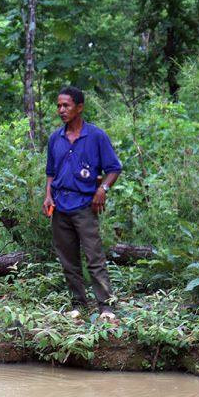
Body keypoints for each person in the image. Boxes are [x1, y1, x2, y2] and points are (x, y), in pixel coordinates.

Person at [42, 86, 122, 321]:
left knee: (94, 257)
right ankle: (78, 304)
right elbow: (50, 172)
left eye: (66, 105)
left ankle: (106, 307)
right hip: (60, 206)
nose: (61, 110)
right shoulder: (55, 138)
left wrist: (102, 189)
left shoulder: (96, 136)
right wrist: (48, 195)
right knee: (68, 260)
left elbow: (114, 168)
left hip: (85, 206)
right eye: (59, 105)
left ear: (79, 107)